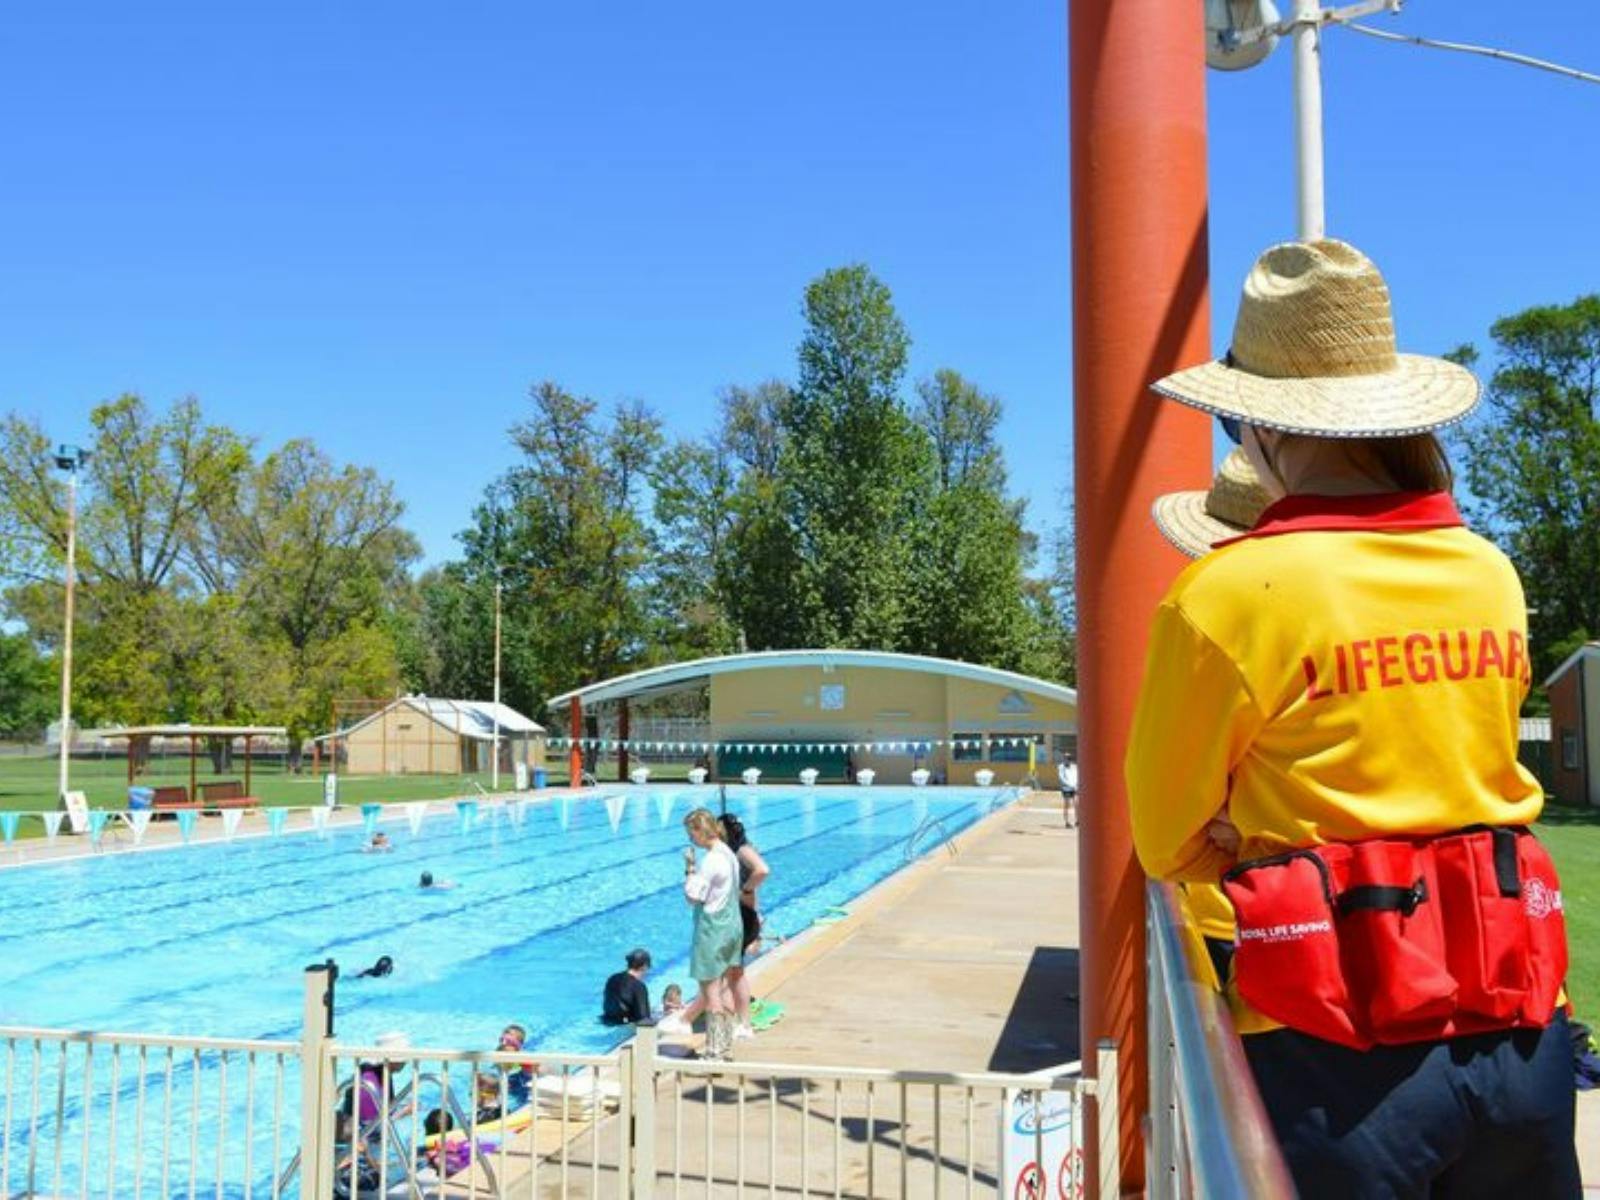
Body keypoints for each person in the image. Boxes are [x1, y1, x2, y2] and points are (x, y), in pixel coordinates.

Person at [1127, 239, 1576, 1197]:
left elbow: (1167, 840)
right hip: (1518, 1020)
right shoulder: (1486, 570)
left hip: (1335, 1036)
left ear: (1257, 428)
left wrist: (1241, 834)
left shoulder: (1229, 591)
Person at [678, 807, 744, 1060]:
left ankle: (715, 1050)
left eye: (690, 833)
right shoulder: (729, 854)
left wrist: (689, 868)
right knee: (723, 987)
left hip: (713, 930)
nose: (690, 839)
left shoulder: (712, 860)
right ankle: (725, 1044)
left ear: (699, 830)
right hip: (732, 927)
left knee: (710, 992)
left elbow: (693, 897)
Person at [601, 948, 653, 1026]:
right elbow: (644, 1020)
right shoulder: (639, 986)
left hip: (607, 1021)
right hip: (625, 1026)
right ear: (644, 966)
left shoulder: (612, 978)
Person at [1056, 755, 1079, 829]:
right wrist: (1070, 785)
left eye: (1069, 759)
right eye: (1066, 759)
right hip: (1066, 788)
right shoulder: (1061, 767)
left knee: (1076, 803)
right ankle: (1067, 822)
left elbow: (1077, 776)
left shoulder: (1074, 767)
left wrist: (1076, 785)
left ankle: (1077, 820)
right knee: (1067, 804)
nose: (1067, 760)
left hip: (1074, 788)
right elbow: (1061, 778)